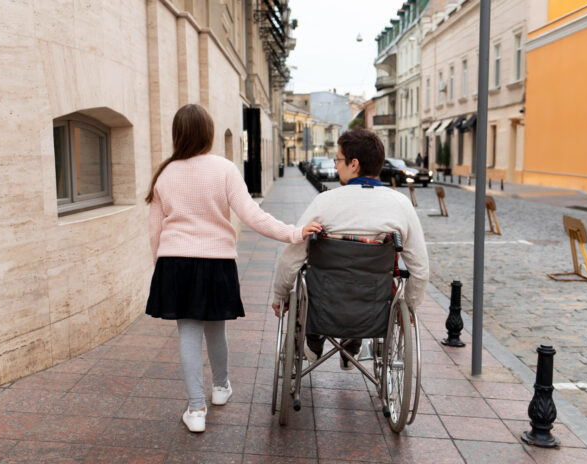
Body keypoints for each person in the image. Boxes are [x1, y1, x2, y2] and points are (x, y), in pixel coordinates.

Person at [145, 104, 322, 433]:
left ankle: (196, 408)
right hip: (217, 261)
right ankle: (221, 388)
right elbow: (253, 216)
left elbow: (155, 230)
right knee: (215, 329)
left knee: (188, 332)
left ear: (177, 134)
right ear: (208, 133)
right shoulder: (224, 169)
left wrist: (161, 265)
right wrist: (294, 234)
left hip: (175, 262)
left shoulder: (164, 173)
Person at [271, 128, 429, 369]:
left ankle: (313, 342)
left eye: (339, 160)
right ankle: (352, 344)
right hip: (374, 310)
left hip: (323, 306)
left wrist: (280, 296)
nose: (335, 166)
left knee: (313, 282)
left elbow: (290, 259)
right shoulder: (401, 205)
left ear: (354, 164)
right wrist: (410, 306)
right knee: (369, 287)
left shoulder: (325, 203)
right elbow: (420, 268)